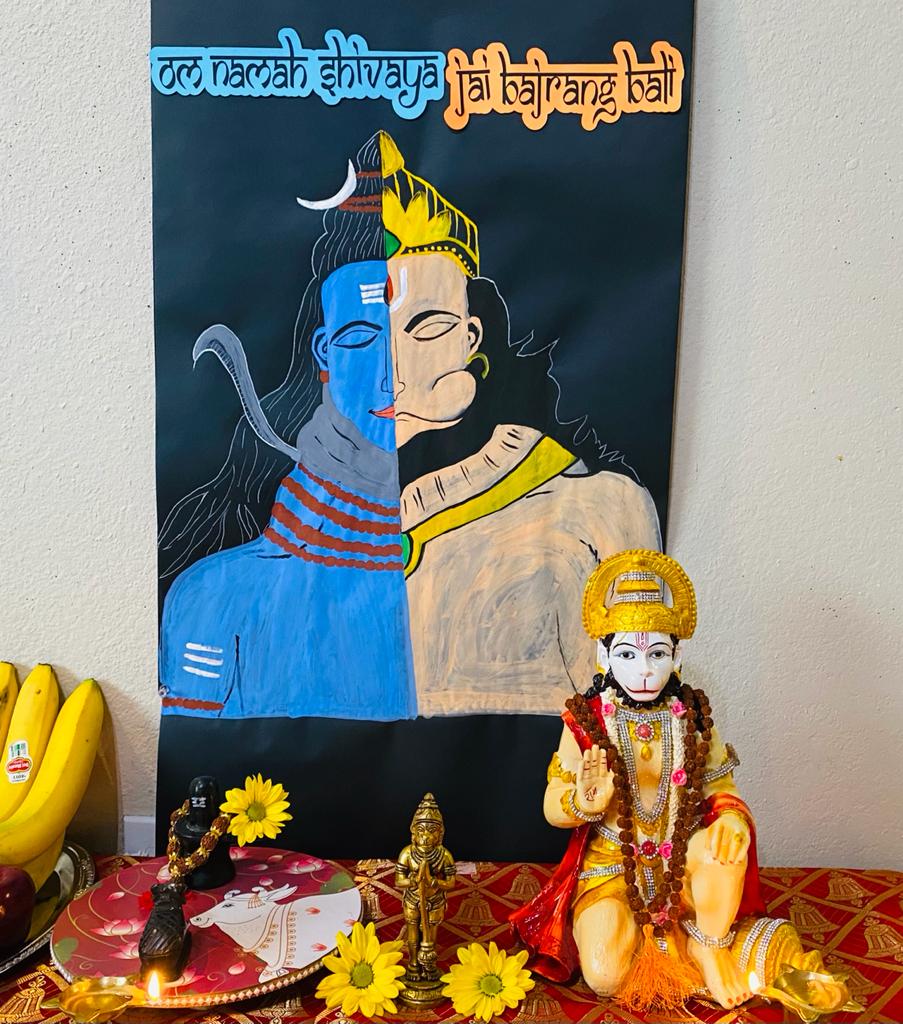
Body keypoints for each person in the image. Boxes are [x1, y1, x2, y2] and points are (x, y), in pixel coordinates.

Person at [158, 132, 659, 720]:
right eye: (359, 337)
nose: (391, 376)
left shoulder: (599, 516)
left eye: (427, 329)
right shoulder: (214, 600)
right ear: (324, 356)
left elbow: (642, 742)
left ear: (471, 338)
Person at [510, 550, 856, 1017]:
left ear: (677, 654)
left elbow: (721, 789)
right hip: (612, 866)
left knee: (724, 845)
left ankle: (708, 943)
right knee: (605, 975)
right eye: (628, 654)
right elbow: (552, 806)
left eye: (657, 653)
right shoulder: (586, 722)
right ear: (603, 655)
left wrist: (731, 821)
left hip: (683, 860)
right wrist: (583, 802)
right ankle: (722, 952)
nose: (644, 669)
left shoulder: (690, 716)